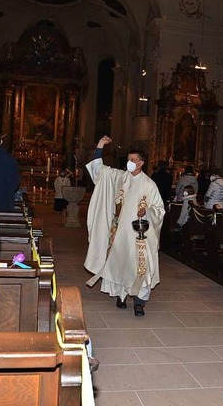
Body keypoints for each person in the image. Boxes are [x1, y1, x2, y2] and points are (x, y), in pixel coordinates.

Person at [84, 136, 165, 317]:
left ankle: (139, 302)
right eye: (128, 160)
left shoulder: (149, 185)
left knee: (139, 267)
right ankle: (121, 296)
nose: (129, 163)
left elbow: (159, 209)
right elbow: (99, 172)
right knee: (120, 264)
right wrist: (99, 147)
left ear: (141, 163)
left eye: (133, 160)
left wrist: (148, 212)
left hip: (139, 236)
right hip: (120, 233)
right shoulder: (121, 177)